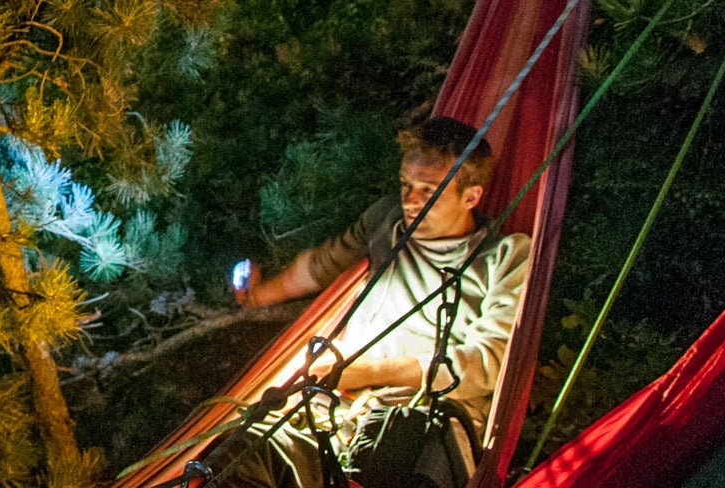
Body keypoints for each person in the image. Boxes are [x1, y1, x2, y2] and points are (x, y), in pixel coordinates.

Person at [212, 117, 532, 488]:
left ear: (471, 196)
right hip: (336, 407)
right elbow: (322, 265)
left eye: (428, 191)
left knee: (386, 461)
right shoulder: (387, 219)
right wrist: (259, 294)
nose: (410, 201)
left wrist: (369, 370)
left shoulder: (505, 257)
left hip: (420, 421)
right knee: (237, 458)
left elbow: (488, 363)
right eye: (405, 185)